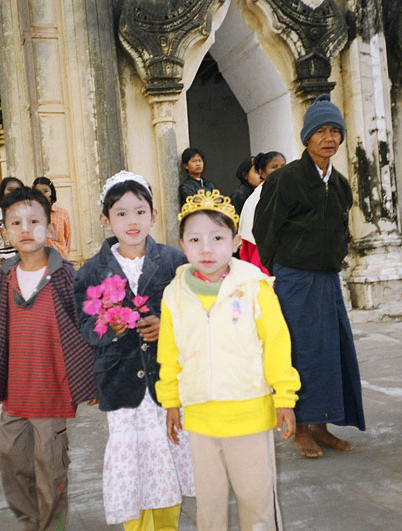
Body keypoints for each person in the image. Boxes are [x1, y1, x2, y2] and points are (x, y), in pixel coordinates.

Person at [157, 189, 300, 531]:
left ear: (235, 242)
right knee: (209, 505)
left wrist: (284, 397)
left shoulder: (253, 286)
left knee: (256, 500)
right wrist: (171, 401)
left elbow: (277, 343)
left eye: (217, 237)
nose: (206, 248)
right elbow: (170, 352)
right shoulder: (174, 294)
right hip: (200, 417)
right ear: (182, 244)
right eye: (195, 239)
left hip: (248, 413)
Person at [74, 171, 194, 530]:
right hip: (121, 385)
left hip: (168, 383)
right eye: (121, 213)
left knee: (168, 458)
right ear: (105, 220)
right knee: (133, 468)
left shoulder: (175, 261)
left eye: (140, 211)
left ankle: (168, 525)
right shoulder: (91, 272)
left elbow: (195, 313)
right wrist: (108, 329)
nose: (132, 221)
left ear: (154, 215)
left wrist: (167, 327)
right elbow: (85, 326)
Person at [254, 96, 365, 458]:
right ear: (307, 137)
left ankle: (323, 426)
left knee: (330, 353)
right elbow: (264, 230)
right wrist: (280, 274)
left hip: (327, 280)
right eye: (321, 131)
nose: (329, 138)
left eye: (335, 131)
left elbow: (340, 230)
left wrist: (335, 259)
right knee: (299, 352)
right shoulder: (285, 180)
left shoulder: (342, 184)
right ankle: (300, 428)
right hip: (294, 280)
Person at [0, 187, 96, 531]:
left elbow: (83, 327)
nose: (26, 229)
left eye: (34, 221)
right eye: (16, 222)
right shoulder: (7, 277)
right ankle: (31, 522)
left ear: (49, 226)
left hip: (52, 393)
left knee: (51, 472)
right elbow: (1, 332)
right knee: (11, 464)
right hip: (16, 393)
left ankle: (53, 526)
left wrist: (89, 380)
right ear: (4, 231)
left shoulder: (65, 274)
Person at [239, 152, 286, 274]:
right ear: (261, 172)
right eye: (274, 167)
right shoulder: (260, 195)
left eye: (283, 166)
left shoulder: (285, 189)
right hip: (263, 252)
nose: (280, 170)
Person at [0, 176, 24, 277]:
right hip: (4, 269)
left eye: (17, 190)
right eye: (9, 189)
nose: (13, 193)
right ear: (2, 191)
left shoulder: (27, 216)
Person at [33, 176, 72, 260]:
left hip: (60, 263)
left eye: (45, 191)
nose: (42, 195)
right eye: (38, 192)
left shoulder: (63, 213)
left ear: (51, 192)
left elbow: (67, 241)